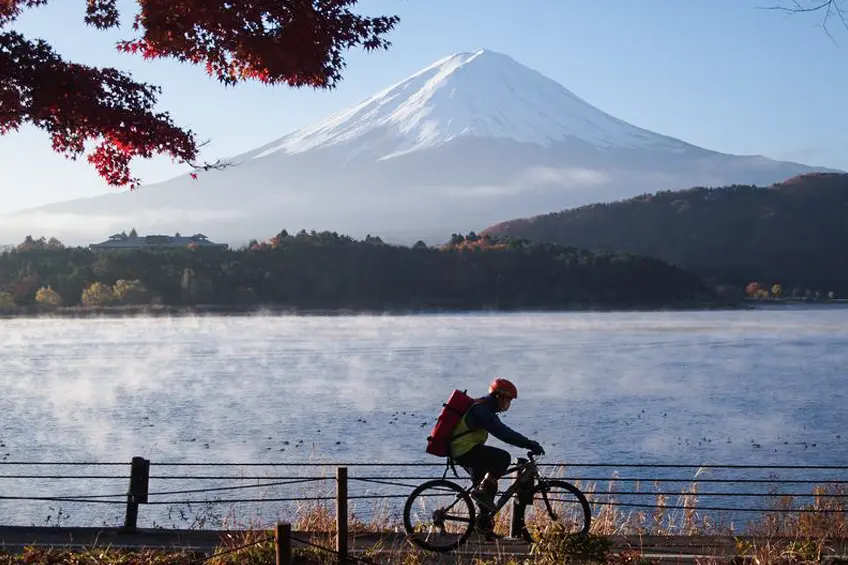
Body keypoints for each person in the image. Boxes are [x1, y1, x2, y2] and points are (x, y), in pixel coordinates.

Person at [449, 377, 545, 538]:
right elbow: (503, 433)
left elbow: (502, 429)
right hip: (464, 450)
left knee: (488, 490)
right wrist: (528, 443)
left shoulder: (486, 408)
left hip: (463, 450)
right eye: (508, 400)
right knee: (503, 458)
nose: (509, 404)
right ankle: (481, 492)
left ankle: (484, 529)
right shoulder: (482, 410)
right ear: (498, 396)